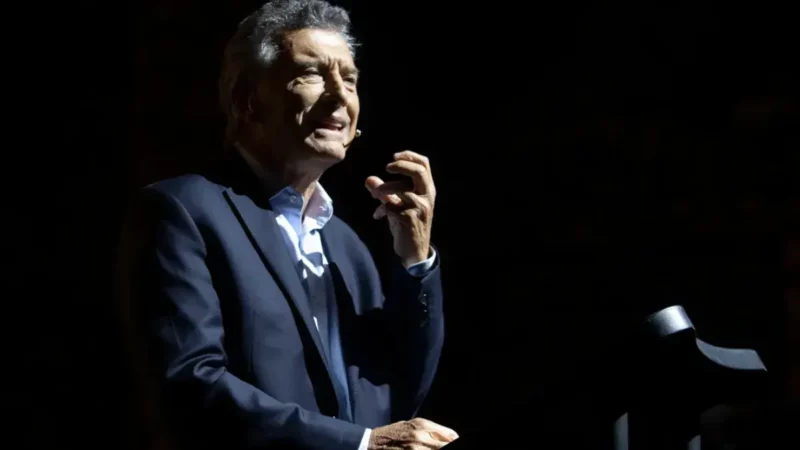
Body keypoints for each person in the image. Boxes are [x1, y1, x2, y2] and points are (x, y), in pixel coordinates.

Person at [115, 1, 457, 449]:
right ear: (248, 101)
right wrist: (358, 444)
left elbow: (398, 395)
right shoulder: (183, 212)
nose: (340, 96)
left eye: (349, 79)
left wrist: (415, 261)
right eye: (312, 74)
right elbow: (189, 384)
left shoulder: (348, 247)